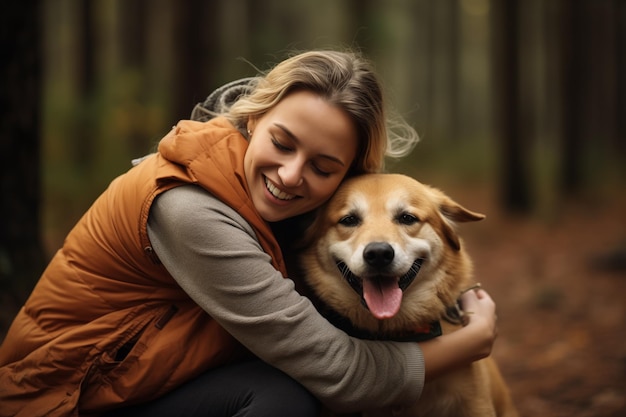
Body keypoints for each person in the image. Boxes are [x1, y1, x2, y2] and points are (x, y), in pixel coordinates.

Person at [0, 50, 497, 417]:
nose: (290, 175)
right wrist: (470, 341)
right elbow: (339, 373)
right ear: (254, 117)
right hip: (63, 402)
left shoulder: (279, 208)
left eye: (324, 167)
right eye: (282, 143)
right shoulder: (188, 210)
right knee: (286, 397)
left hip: (138, 381)